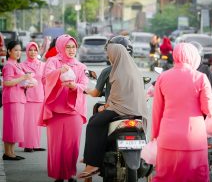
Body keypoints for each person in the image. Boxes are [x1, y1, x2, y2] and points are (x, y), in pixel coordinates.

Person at [77, 43, 148, 179]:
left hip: (119, 110)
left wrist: (107, 106)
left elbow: (113, 96)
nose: (109, 57)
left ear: (116, 55)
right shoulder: (135, 71)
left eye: (110, 55)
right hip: (137, 112)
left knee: (94, 123)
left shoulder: (114, 71)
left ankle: (92, 163)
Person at [151, 43, 212, 182]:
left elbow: (157, 111)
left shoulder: (162, 77)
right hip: (194, 139)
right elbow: (208, 109)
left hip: (167, 138)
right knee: (195, 178)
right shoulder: (200, 77)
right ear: (194, 57)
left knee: (166, 178)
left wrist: (154, 137)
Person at [38, 34, 89, 182]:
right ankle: (58, 176)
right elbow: (45, 78)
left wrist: (74, 86)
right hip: (55, 111)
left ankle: (69, 174)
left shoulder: (81, 66)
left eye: (73, 47)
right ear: (60, 47)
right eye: (68, 46)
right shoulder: (53, 61)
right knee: (56, 145)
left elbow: (84, 85)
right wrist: (59, 72)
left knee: (72, 146)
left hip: (74, 111)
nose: (71, 50)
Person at [2, 41, 33, 160]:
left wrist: (26, 84)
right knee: (11, 125)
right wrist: (23, 77)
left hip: (19, 98)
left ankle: (11, 152)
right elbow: (7, 82)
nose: (19, 52)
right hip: (11, 99)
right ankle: (8, 153)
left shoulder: (17, 65)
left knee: (15, 126)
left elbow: (18, 82)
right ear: (9, 51)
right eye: (15, 50)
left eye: (20, 50)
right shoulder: (9, 65)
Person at [85, 35, 133, 103]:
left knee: (98, 109)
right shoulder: (135, 71)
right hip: (134, 109)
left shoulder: (108, 71)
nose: (108, 55)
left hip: (114, 109)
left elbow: (96, 93)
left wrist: (87, 90)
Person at [18, 42, 46, 152]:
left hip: (40, 95)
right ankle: (28, 145)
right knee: (28, 121)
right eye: (30, 50)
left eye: (35, 50)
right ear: (27, 51)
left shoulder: (42, 65)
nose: (33, 52)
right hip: (27, 96)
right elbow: (20, 81)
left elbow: (45, 81)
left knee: (38, 121)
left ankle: (36, 144)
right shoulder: (22, 65)